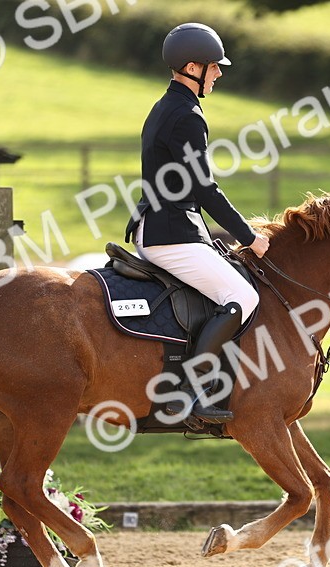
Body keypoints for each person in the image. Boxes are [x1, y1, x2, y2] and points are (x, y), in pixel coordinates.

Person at [125, 22, 271, 424]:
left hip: (158, 226)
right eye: (214, 66)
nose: (219, 73)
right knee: (244, 298)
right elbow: (205, 191)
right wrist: (249, 238)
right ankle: (188, 393)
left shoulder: (164, 106)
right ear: (193, 67)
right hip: (171, 234)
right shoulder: (187, 116)